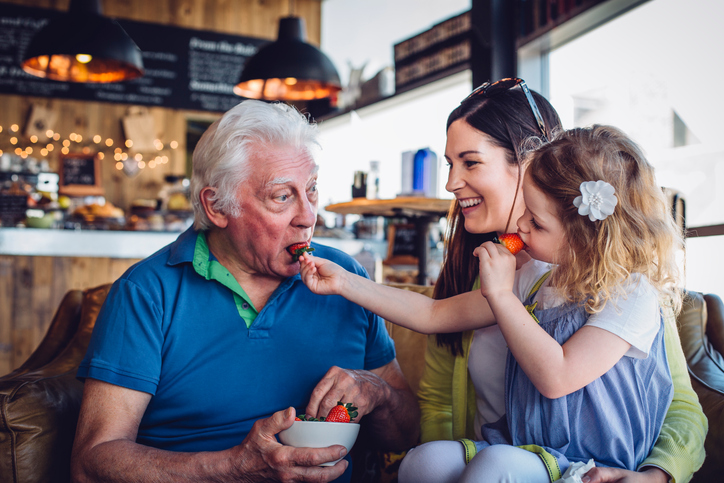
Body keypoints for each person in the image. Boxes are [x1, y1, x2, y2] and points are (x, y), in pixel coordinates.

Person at [298, 124, 682, 481]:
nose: (521, 227)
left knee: (496, 466)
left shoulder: (632, 295)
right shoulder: (535, 279)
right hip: (527, 446)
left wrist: (500, 294)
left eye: (536, 222)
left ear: (587, 236)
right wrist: (347, 282)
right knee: (424, 461)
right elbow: (433, 314)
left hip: (591, 461)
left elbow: (557, 378)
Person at [70, 100, 420, 483]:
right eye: (281, 196)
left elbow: (406, 434)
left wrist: (378, 393)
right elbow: (92, 460)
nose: (308, 217)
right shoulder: (146, 294)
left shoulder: (346, 278)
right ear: (217, 206)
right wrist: (234, 468)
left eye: (312, 189)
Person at [414, 78, 706, 483]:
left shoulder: (620, 283)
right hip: (503, 458)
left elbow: (681, 407)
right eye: (449, 164)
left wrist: (657, 475)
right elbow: (438, 402)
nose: (450, 183)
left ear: (530, 157)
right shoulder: (481, 271)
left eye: (471, 162)